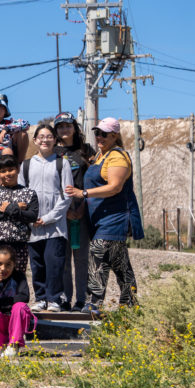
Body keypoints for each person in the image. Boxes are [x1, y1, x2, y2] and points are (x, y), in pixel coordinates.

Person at [65, 118, 144, 316]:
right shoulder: (101, 156)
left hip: (115, 218)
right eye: (97, 133)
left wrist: (83, 193)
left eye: (104, 134)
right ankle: (131, 305)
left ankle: (94, 303)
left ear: (115, 135)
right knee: (120, 263)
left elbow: (115, 187)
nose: (99, 137)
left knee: (98, 253)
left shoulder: (117, 156)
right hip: (101, 219)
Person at [19, 125, 73, 313]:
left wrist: (48, 218)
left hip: (55, 226)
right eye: (41, 136)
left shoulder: (61, 164)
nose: (45, 140)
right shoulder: (26, 165)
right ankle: (40, 298)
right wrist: (29, 218)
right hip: (33, 227)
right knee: (37, 264)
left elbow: (67, 195)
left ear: (55, 140)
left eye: (49, 136)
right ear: (35, 140)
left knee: (55, 263)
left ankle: (54, 299)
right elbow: (21, 195)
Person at [53, 112, 95, 311]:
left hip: (82, 209)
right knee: (63, 258)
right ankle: (64, 298)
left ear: (75, 128)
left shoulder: (86, 150)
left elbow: (94, 179)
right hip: (61, 212)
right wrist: (64, 210)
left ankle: (82, 299)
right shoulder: (52, 151)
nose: (64, 129)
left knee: (81, 257)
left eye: (68, 125)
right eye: (60, 126)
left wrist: (82, 205)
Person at [0, 155, 39, 273]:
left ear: (17, 170)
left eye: (11, 169)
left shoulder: (28, 193)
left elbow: (32, 216)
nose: (8, 174)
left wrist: (8, 208)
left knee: (18, 281)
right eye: (3, 171)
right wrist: (17, 207)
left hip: (19, 244)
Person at [0, 245, 35, 358]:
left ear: (14, 265)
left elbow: (24, 297)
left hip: (15, 319)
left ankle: (14, 344)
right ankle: (1, 344)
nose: (3, 269)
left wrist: (3, 304)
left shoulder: (19, 277)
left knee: (20, 307)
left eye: (8, 265)